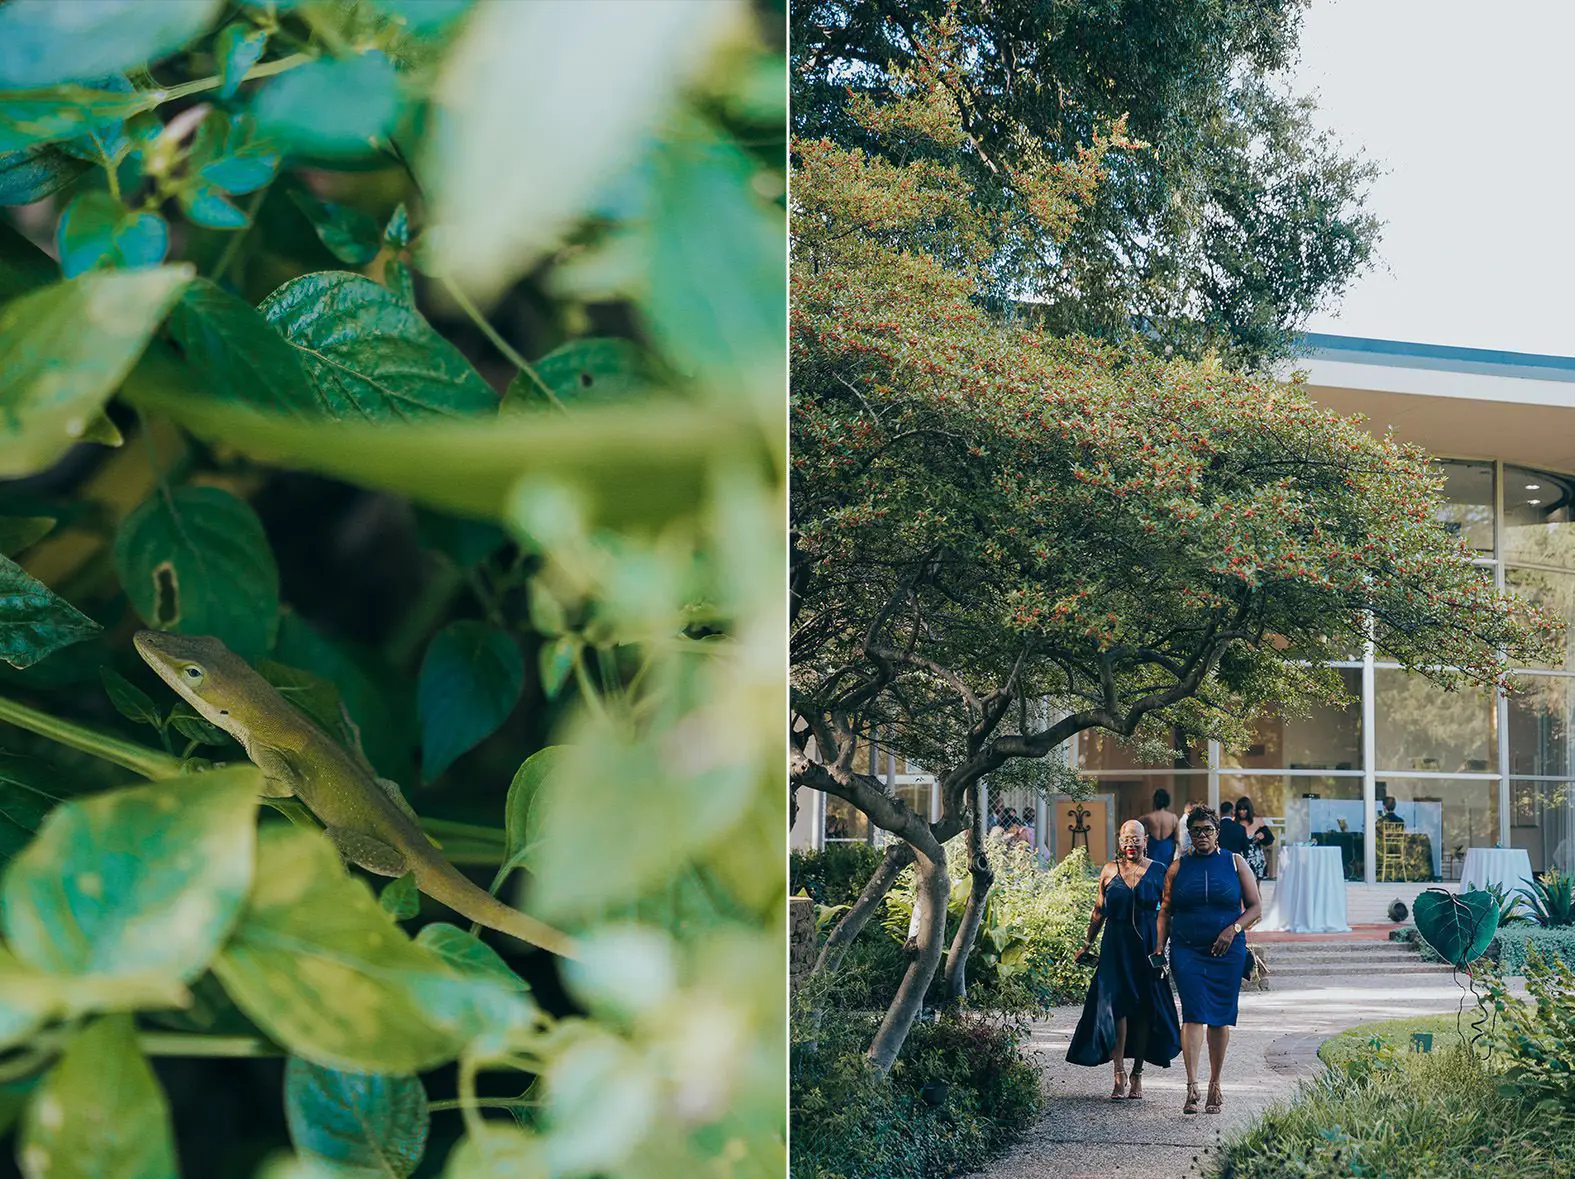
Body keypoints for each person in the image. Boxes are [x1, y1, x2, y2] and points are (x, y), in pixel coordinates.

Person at [1157, 806, 1263, 1116]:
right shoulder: (1177, 868)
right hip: (1187, 950)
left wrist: (1233, 930)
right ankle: (1192, 1086)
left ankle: (1215, 1083)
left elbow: (1255, 908)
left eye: (1208, 830)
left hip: (1226, 953)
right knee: (1193, 1013)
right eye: (1196, 830)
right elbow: (1165, 911)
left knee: (1219, 1016)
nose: (1202, 835)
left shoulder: (1235, 862)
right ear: (1189, 834)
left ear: (1217, 833)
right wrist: (1158, 947)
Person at [1067, 820, 1181, 1099]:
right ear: (1119, 842)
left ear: (1146, 841)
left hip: (1147, 948)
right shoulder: (1109, 870)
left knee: (1144, 1009)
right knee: (1116, 1008)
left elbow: (1167, 913)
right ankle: (1118, 1073)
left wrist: (1162, 948)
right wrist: (1086, 943)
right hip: (1115, 946)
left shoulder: (1159, 870)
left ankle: (1137, 1073)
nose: (1131, 843)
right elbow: (1098, 911)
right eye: (1126, 838)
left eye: (1136, 838)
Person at [1234, 797, 1276, 880]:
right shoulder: (1235, 823)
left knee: (1256, 886)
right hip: (1241, 858)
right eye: (1239, 809)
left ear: (1249, 809)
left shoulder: (1258, 821)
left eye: (1244, 809)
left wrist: (1263, 835)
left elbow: (1270, 838)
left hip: (1257, 858)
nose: (1242, 812)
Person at [1140, 789, 1179, 867]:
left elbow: (1133, 825)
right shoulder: (1173, 818)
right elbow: (1177, 839)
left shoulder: (1148, 817)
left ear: (1155, 801)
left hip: (1152, 851)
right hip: (1167, 851)